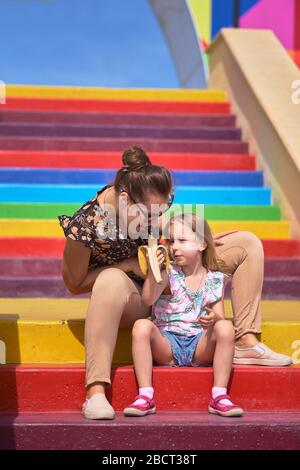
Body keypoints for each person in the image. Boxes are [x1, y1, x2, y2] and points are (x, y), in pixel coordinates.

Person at [58, 145, 292, 421]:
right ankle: (96, 391)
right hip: (133, 298)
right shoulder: (86, 223)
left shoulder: (142, 191)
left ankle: (245, 341)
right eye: (151, 214)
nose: (158, 219)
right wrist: (128, 265)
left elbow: (167, 239)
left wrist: (200, 239)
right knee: (110, 279)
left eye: (163, 209)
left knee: (245, 244)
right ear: (124, 200)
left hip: (169, 276)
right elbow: (74, 283)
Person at [123, 213, 244, 418]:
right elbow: (148, 300)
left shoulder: (214, 278)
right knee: (141, 325)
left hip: (199, 345)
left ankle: (219, 396)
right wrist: (155, 271)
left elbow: (219, 317)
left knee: (225, 327)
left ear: (202, 245)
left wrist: (213, 320)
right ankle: (145, 395)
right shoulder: (168, 273)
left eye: (182, 240)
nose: (174, 246)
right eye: (170, 241)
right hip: (167, 344)